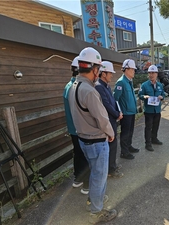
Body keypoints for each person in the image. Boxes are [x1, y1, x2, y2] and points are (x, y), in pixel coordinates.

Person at [68, 47, 117, 224]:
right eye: (99, 68)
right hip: (96, 140)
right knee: (99, 176)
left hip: (83, 139)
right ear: (94, 69)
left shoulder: (74, 86)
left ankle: (94, 199)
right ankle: (96, 211)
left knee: (94, 173)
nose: (100, 72)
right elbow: (102, 118)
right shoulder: (89, 91)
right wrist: (111, 133)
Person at [63, 56, 90, 194]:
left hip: (72, 128)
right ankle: (86, 185)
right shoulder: (77, 87)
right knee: (85, 155)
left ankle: (77, 179)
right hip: (80, 128)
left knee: (78, 154)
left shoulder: (68, 86)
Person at [95, 61, 124, 178]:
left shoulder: (105, 86)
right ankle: (111, 169)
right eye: (110, 73)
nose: (112, 75)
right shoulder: (99, 87)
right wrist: (117, 114)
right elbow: (106, 105)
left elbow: (113, 102)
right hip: (107, 121)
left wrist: (118, 111)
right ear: (103, 74)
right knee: (111, 145)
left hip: (112, 119)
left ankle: (112, 166)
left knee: (113, 145)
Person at [113, 59, 139, 160]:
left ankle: (129, 146)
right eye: (132, 69)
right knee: (125, 132)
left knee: (130, 131)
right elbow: (116, 99)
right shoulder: (121, 82)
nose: (134, 71)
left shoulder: (129, 82)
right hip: (125, 113)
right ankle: (124, 152)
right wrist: (119, 112)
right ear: (127, 69)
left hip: (131, 112)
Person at [138, 65, 165, 151]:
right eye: (149, 73)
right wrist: (144, 96)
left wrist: (162, 97)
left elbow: (163, 94)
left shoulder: (160, 85)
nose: (151, 75)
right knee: (148, 127)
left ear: (156, 74)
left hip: (157, 110)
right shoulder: (144, 85)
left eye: (153, 73)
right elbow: (140, 95)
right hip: (149, 110)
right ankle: (148, 143)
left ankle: (154, 139)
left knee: (156, 126)